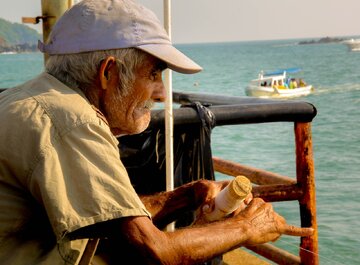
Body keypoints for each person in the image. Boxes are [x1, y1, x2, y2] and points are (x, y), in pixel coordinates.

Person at [0, 0, 313, 264]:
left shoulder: (33, 98)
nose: (162, 93)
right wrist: (247, 226)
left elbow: (116, 226)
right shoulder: (70, 121)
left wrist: (186, 196)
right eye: (152, 73)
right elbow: (150, 251)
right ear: (108, 72)